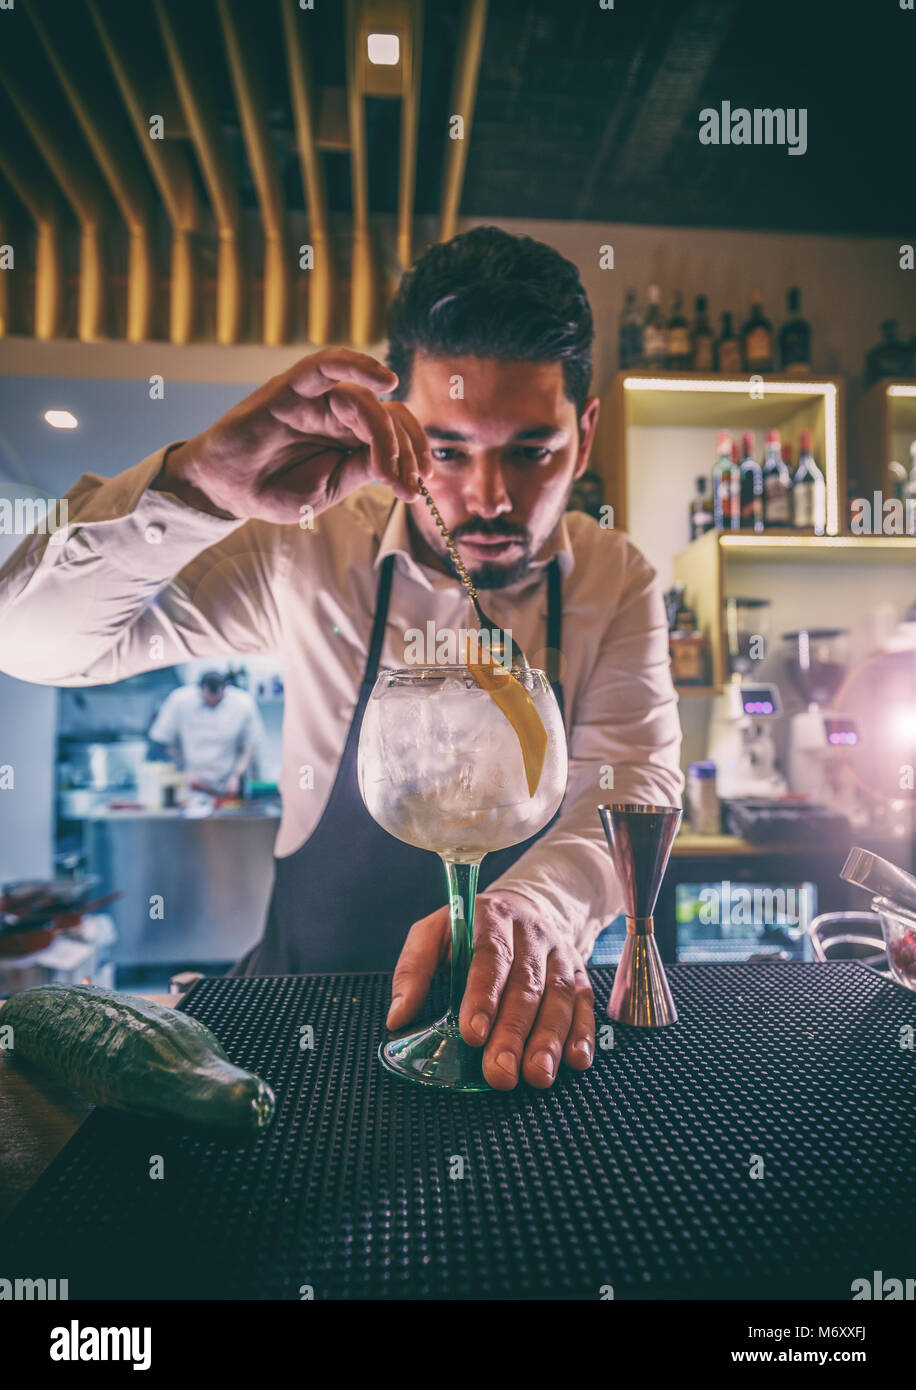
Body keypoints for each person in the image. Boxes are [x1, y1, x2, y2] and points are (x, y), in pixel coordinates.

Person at [0, 227, 683, 1090]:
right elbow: (27, 641)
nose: (489, 497)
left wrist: (539, 906)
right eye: (448, 450)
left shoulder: (614, 577)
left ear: (584, 437)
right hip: (302, 1019)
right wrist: (200, 485)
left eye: (531, 451)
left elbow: (632, 785)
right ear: (402, 433)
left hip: (524, 1016)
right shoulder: (308, 550)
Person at [149, 669, 263, 797]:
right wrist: (184, 770)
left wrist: (236, 775)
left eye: (217, 699)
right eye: (208, 699)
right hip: (190, 785)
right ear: (200, 689)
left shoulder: (244, 703)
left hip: (228, 784)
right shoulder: (179, 700)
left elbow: (250, 745)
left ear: (225, 688)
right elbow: (165, 741)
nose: (212, 703)